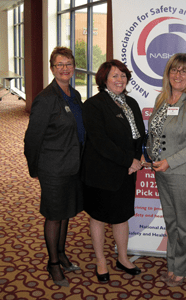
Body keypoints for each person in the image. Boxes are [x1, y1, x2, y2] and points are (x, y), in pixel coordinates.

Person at [145, 53, 186, 287]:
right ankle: (174, 263)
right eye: (174, 70)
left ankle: (183, 267)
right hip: (163, 173)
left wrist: (170, 161)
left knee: (185, 224)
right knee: (172, 222)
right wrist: (152, 154)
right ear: (168, 73)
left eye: (184, 71)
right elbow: (155, 132)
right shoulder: (163, 99)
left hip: (185, 174)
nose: (178, 75)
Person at [24, 47, 85, 287]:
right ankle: (53, 263)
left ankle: (61, 253)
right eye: (60, 64)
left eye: (69, 63)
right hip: (53, 167)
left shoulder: (75, 95)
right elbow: (32, 139)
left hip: (73, 164)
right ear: (52, 68)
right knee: (54, 215)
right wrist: (36, 169)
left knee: (66, 212)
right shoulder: (46, 98)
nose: (65, 68)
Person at [81, 59, 145, 283]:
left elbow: (139, 136)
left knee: (121, 216)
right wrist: (129, 160)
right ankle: (101, 261)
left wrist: (136, 159)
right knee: (98, 217)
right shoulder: (93, 105)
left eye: (123, 75)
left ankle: (123, 258)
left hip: (127, 172)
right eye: (114, 76)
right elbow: (101, 142)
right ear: (104, 79)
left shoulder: (132, 103)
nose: (120, 79)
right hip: (102, 173)